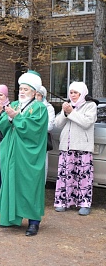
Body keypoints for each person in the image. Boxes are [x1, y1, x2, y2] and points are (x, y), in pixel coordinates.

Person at [0, 70, 48, 236]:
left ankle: (34, 222)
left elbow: (34, 129)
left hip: (29, 154)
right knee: (12, 182)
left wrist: (16, 118)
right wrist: (8, 116)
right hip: (13, 152)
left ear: (34, 91)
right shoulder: (16, 105)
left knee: (30, 185)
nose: (22, 92)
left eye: (26, 89)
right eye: (21, 89)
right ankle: (11, 217)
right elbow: (3, 124)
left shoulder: (39, 108)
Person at [53, 82, 97, 216]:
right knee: (65, 176)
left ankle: (84, 203)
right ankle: (62, 201)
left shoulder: (90, 105)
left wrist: (72, 112)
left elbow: (86, 123)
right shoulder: (67, 106)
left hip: (82, 147)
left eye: (75, 93)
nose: (72, 95)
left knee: (83, 177)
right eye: (71, 92)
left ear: (82, 93)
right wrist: (65, 113)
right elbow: (57, 124)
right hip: (67, 147)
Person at [35, 86, 56, 182]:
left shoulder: (48, 108)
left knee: (42, 163)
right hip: (29, 138)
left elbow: (50, 126)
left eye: (38, 95)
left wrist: (34, 128)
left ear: (43, 96)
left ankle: (42, 183)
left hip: (42, 138)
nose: (36, 97)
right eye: (34, 94)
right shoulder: (29, 106)